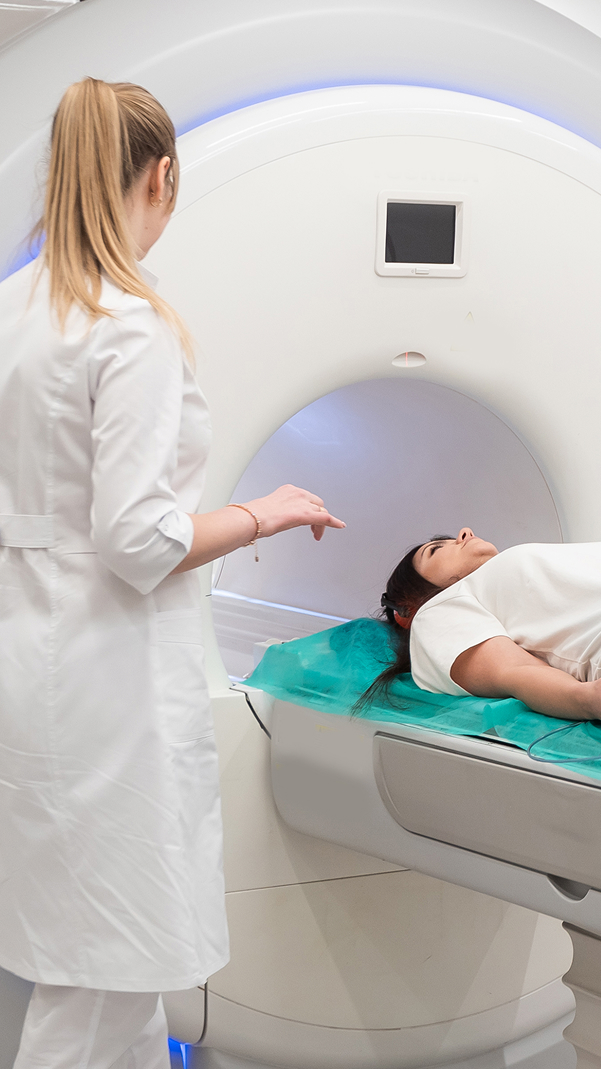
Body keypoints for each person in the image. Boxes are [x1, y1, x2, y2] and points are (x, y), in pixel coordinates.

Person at [0, 78, 344, 1069]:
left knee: (109, 978)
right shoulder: (130, 328)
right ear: (163, 176)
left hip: (36, 663)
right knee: (104, 984)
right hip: (108, 682)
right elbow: (138, 539)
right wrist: (263, 512)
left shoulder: (20, 316)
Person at [364, 528, 601, 735]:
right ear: (406, 611)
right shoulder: (437, 612)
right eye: (436, 549)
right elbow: (514, 672)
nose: (465, 533)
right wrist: (587, 700)